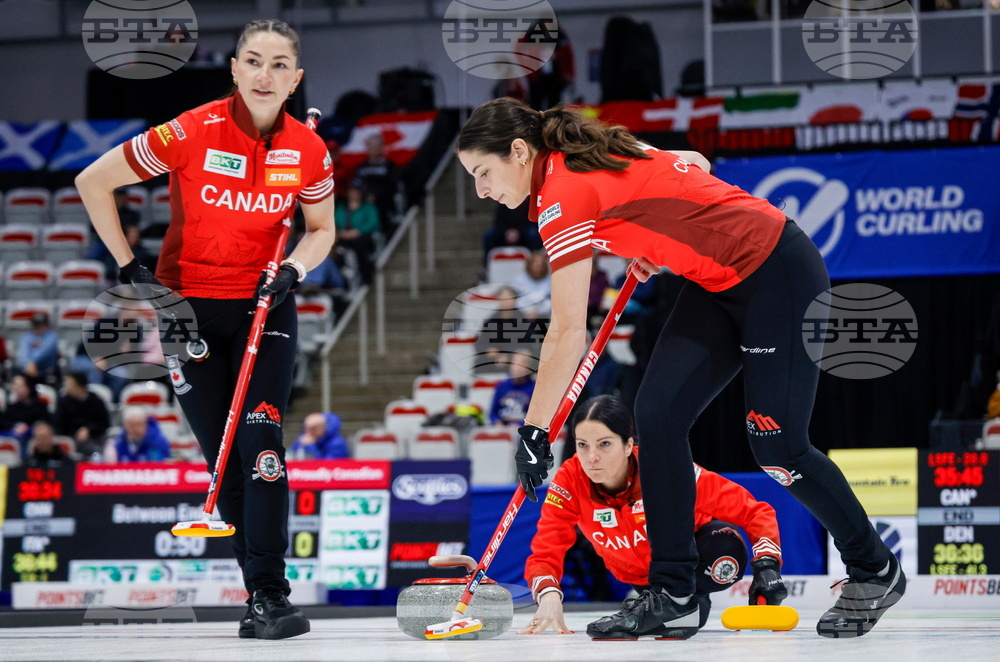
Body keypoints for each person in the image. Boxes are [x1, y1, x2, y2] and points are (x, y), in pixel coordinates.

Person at [457, 98, 904, 640]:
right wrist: (656, 238)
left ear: (520, 151)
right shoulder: (586, 156)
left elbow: (568, 330)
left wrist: (533, 432)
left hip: (776, 273)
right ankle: (675, 592)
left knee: (778, 446)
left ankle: (874, 568)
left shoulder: (562, 191)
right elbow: (693, 163)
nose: (482, 189)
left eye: (483, 172)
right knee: (658, 413)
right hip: (716, 281)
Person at [75, 19, 333, 640]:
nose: (265, 74)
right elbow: (93, 181)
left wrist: (294, 269)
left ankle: (272, 596)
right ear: (236, 70)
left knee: (263, 447)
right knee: (226, 459)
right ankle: (258, 596)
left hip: (265, 309)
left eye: (278, 65)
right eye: (253, 61)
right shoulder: (192, 129)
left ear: (295, 79)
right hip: (185, 309)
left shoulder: (309, 149)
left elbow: (321, 230)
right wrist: (131, 269)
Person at [521, 395, 786, 634]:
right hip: (638, 578)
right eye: (582, 445)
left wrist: (767, 565)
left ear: (628, 445)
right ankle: (671, 604)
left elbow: (754, 511)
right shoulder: (570, 480)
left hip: (694, 565)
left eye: (604, 444)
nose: (592, 458)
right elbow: (547, 547)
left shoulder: (664, 469)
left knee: (725, 547)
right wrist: (548, 595)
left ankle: (685, 598)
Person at [351, 133, 400, 230]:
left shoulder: (388, 166)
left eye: (375, 147)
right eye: (370, 147)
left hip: (384, 202)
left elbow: (393, 185)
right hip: (364, 202)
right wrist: (364, 196)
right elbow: (356, 184)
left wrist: (376, 196)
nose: (372, 150)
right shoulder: (361, 167)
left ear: (381, 148)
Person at [54, 371, 110, 455]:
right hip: (71, 439)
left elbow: (104, 423)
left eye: (70, 385)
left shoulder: (96, 401)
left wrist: (89, 429)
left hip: (95, 438)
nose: (67, 388)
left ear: (80, 387)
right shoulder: (63, 402)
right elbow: (58, 425)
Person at [334, 182, 380, 284]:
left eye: (355, 192)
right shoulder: (341, 208)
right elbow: (334, 222)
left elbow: (373, 222)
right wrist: (341, 233)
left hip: (362, 237)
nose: (353, 195)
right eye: (351, 192)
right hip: (343, 236)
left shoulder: (368, 207)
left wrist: (358, 231)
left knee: (360, 246)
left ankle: (365, 276)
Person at [0, 373, 52, 452]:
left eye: (20, 386)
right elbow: (4, 423)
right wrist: (15, 426)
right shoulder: (11, 408)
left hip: (33, 437)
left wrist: (29, 428)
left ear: (29, 387)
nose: (16, 388)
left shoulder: (40, 407)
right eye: (15, 385)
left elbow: (46, 423)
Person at [489, 350, 537, 427]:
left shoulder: (534, 388)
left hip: (523, 430)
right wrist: (497, 422)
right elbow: (493, 413)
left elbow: (536, 417)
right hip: (503, 429)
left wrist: (520, 425)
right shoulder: (501, 386)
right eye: (515, 362)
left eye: (523, 363)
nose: (518, 367)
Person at [16, 312, 60, 383]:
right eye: (35, 324)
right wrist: (27, 364)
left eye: (40, 324)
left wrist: (31, 363)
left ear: (46, 325)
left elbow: (44, 352)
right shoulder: (27, 336)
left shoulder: (52, 336)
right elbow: (23, 353)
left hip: (45, 369)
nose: (37, 327)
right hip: (27, 369)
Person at [511, 251, 551, 319]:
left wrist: (539, 312)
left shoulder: (550, 280)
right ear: (529, 265)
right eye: (535, 266)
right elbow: (517, 300)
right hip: (522, 314)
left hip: (545, 316)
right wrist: (527, 311)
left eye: (541, 266)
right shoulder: (520, 279)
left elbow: (550, 301)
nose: (538, 269)